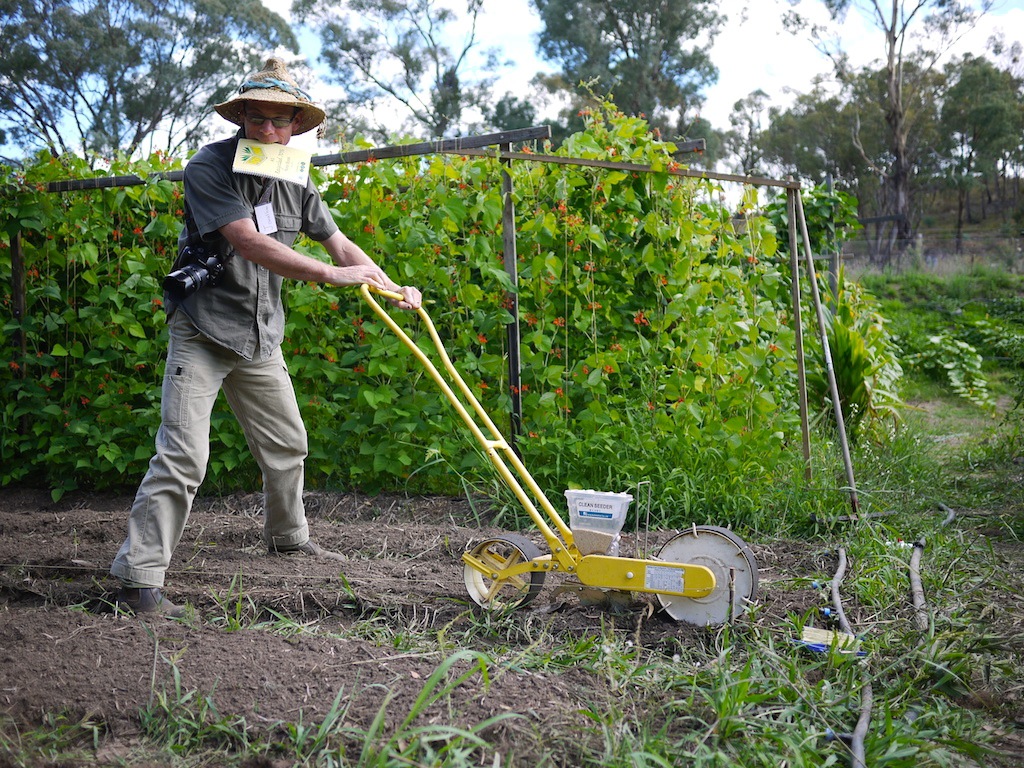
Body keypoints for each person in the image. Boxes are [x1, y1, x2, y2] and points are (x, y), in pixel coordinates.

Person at [110, 58, 422, 617]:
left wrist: (390, 284)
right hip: (204, 330)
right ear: (243, 119)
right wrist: (332, 276)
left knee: (287, 444)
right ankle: (140, 579)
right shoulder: (209, 167)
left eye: (281, 122)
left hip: (259, 335)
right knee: (183, 458)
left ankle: (288, 537)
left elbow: (340, 243)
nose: (269, 131)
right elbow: (248, 242)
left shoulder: (296, 177)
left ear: (297, 126)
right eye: (259, 120)